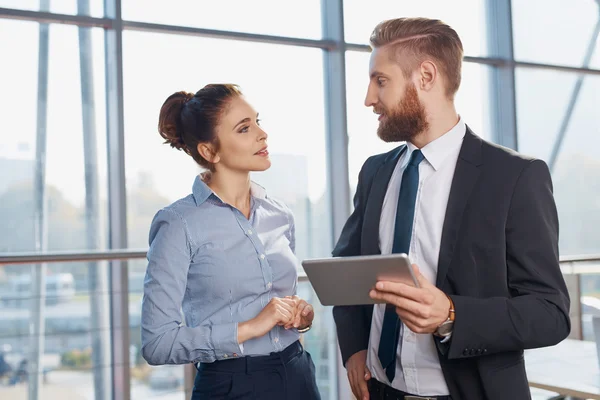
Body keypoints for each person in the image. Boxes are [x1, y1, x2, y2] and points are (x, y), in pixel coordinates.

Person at [332, 17, 570, 400]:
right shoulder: (375, 171)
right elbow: (347, 268)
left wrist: (451, 315)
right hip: (381, 390)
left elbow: (550, 313)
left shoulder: (515, 176)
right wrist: (355, 348)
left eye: (380, 81)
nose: (368, 98)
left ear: (426, 75)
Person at [141, 83, 321, 400]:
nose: (262, 134)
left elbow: (283, 307)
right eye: (244, 128)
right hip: (231, 385)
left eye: (257, 121)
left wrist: (301, 318)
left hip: (298, 374)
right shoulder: (178, 224)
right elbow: (157, 343)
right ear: (210, 151)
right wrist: (250, 327)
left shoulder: (279, 214)